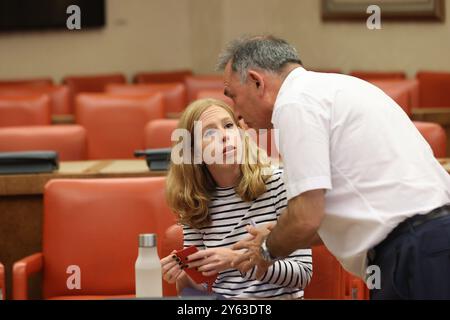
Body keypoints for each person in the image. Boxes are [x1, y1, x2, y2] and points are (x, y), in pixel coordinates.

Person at [216, 35, 450, 300]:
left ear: (257, 81)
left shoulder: (293, 104)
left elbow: (305, 217)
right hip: (431, 241)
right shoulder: (340, 87)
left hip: (414, 252)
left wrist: (266, 249)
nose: (235, 112)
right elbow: (345, 214)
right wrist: (281, 231)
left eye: (233, 96)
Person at [160, 98, 312, 299]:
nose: (224, 136)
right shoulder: (195, 201)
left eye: (229, 125)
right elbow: (199, 289)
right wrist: (182, 275)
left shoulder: (278, 183)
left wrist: (237, 259)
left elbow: (302, 274)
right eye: (209, 132)